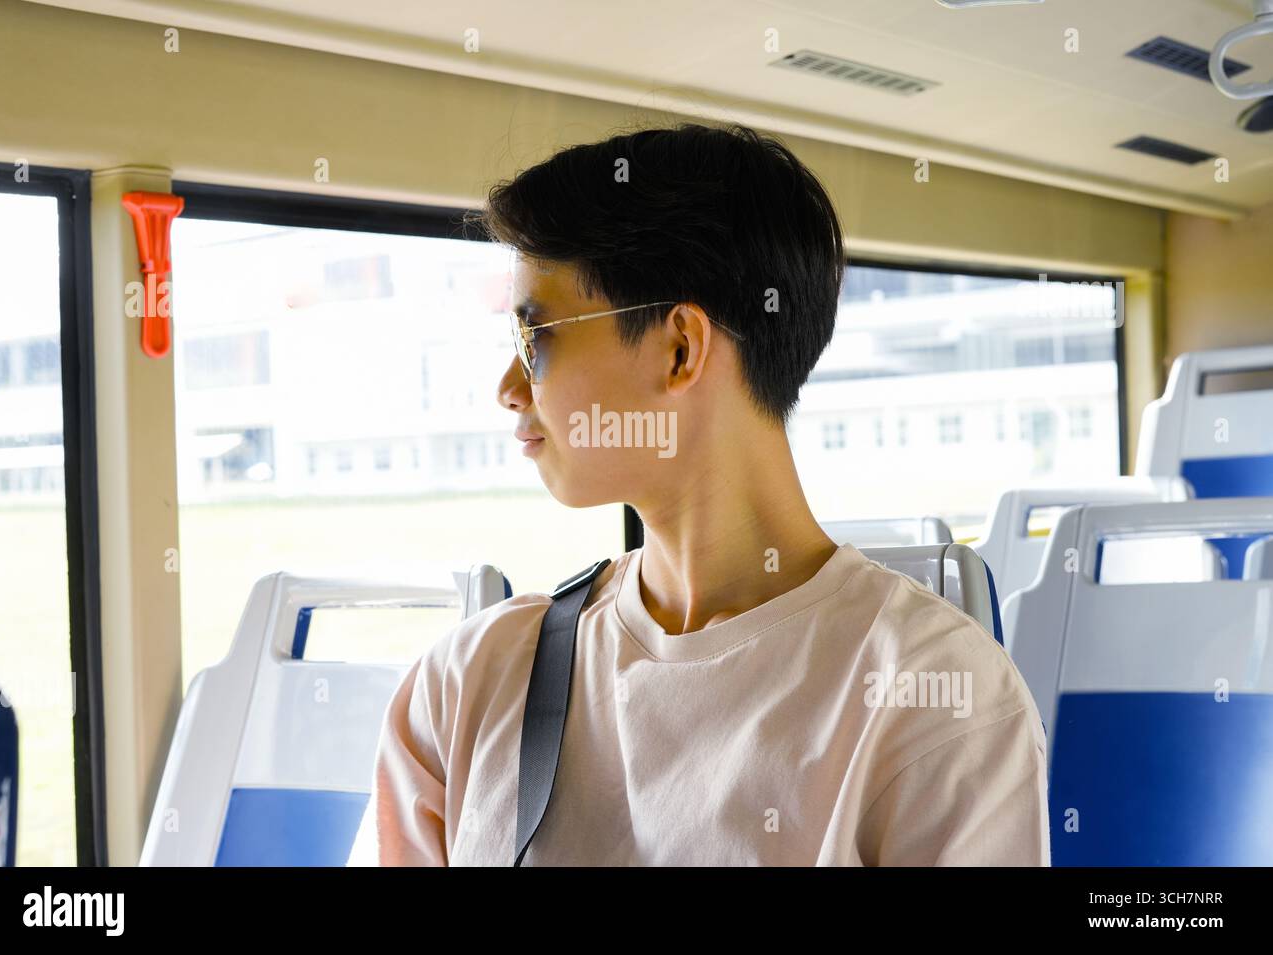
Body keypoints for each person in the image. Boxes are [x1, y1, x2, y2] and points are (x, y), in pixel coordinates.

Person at [347, 122, 1049, 866]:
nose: (509, 389)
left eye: (537, 339)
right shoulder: (468, 683)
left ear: (679, 347)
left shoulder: (934, 696)